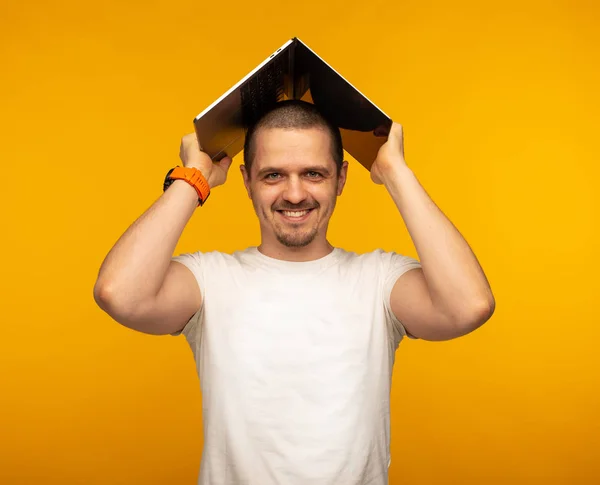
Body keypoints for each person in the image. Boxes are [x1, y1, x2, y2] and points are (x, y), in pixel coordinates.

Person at [94, 100, 495, 485]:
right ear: (247, 181)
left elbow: (468, 307)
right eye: (273, 175)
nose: (295, 194)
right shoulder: (211, 280)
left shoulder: (379, 280)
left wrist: (395, 172)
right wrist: (193, 177)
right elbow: (120, 294)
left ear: (341, 178)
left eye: (313, 174)